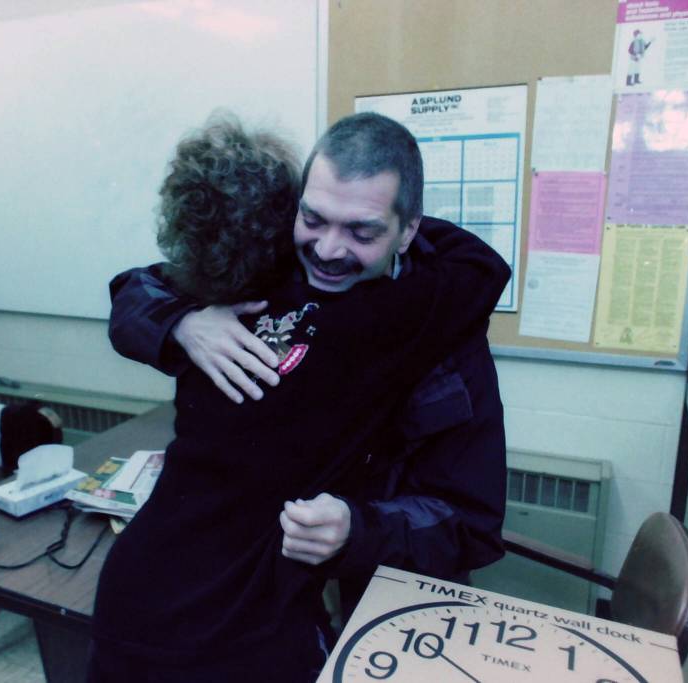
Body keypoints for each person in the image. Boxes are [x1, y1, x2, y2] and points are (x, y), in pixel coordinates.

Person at [91, 113, 509, 682]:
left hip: (338, 604)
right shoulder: (265, 265)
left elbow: (468, 522)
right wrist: (182, 322)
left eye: (362, 232)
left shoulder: (439, 325)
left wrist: (358, 530)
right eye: (313, 219)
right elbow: (136, 290)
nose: (329, 250)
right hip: (182, 595)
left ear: (408, 230)